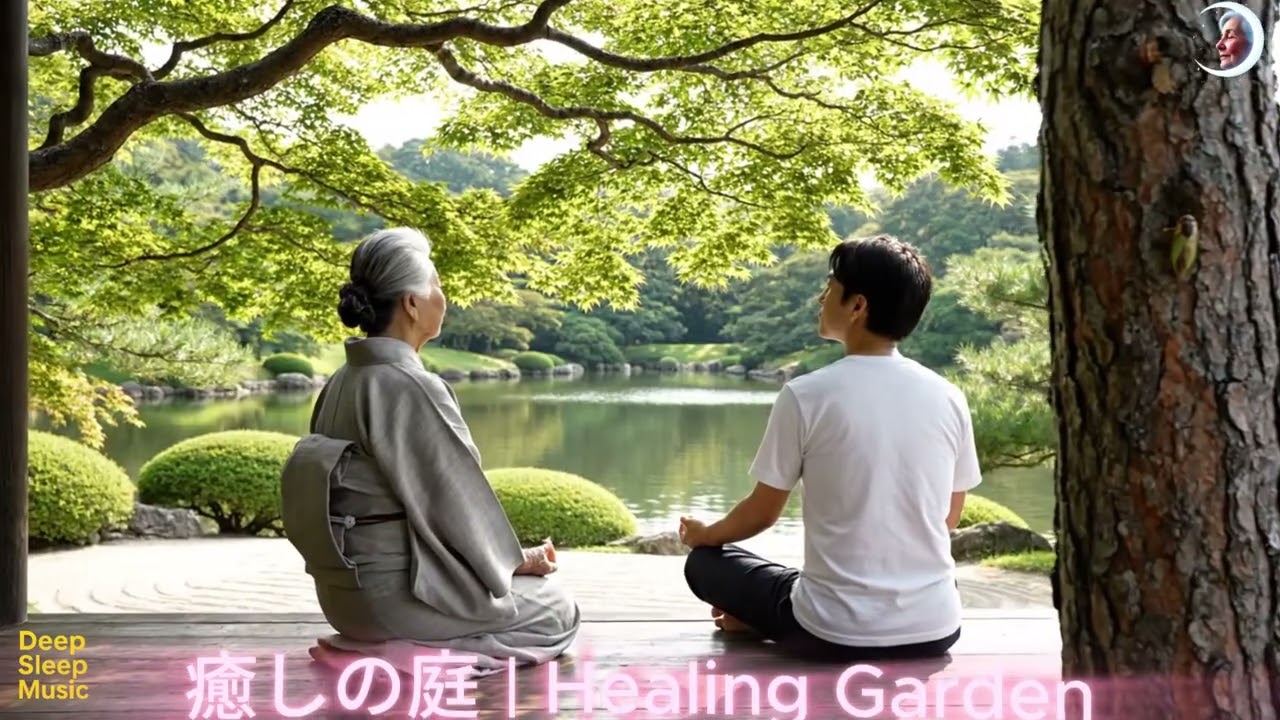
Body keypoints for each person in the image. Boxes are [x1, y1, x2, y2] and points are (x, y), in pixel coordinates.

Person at [280, 227, 580, 668]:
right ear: (411, 303)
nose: (445, 297)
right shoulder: (412, 386)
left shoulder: (341, 383)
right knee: (557, 609)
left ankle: (380, 644)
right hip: (395, 602)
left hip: (342, 601)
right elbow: (456, 508)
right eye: (436, 285)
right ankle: (407, 654)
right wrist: (516, 561)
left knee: (530, 598)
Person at [679, 234, 980, 663]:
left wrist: (705, 535)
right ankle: (770, 610)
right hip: (935, 628)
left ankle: (757, 616)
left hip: (830, 633)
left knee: (705, 564)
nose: (821, 299)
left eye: (830, 288)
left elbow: (763, 513)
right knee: (802, 582)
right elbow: (948, 517)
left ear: (857, 306)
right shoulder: (948, 395)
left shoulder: (806, 395)